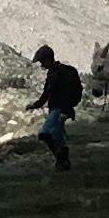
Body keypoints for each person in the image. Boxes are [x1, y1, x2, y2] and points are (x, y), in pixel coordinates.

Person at [29, 43, 83, 175]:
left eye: (42, 61)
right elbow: (46, 94)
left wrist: (66, 111)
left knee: (46, 134)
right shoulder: (54, 73)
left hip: (59, 110)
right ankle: (63, 162)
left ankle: (61, 160)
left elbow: (63, 94)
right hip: (58, 109)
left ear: (48, 59)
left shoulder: (60, 73)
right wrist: (35, 105)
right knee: (58, 136)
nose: (41, 65)